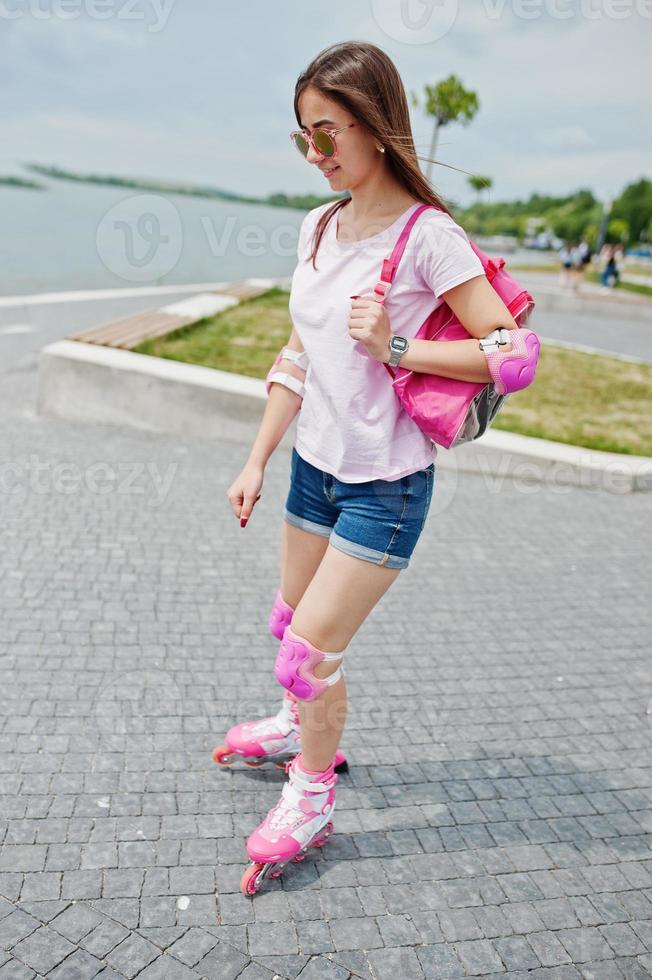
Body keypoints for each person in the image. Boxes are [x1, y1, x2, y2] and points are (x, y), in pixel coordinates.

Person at [221, 40, 529, 894]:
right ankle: (298, 727)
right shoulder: (316, 226)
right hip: (312, 470)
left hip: (383, 488)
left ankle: (312, 797)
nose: (315, 155)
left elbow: (515, 354)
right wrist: (256, 458)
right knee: (290, 626)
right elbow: (298, 352)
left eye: (327, 135)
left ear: (377, 128)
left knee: (309, 655)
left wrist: (393, 341)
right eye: (302, 139)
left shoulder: (430, 238)